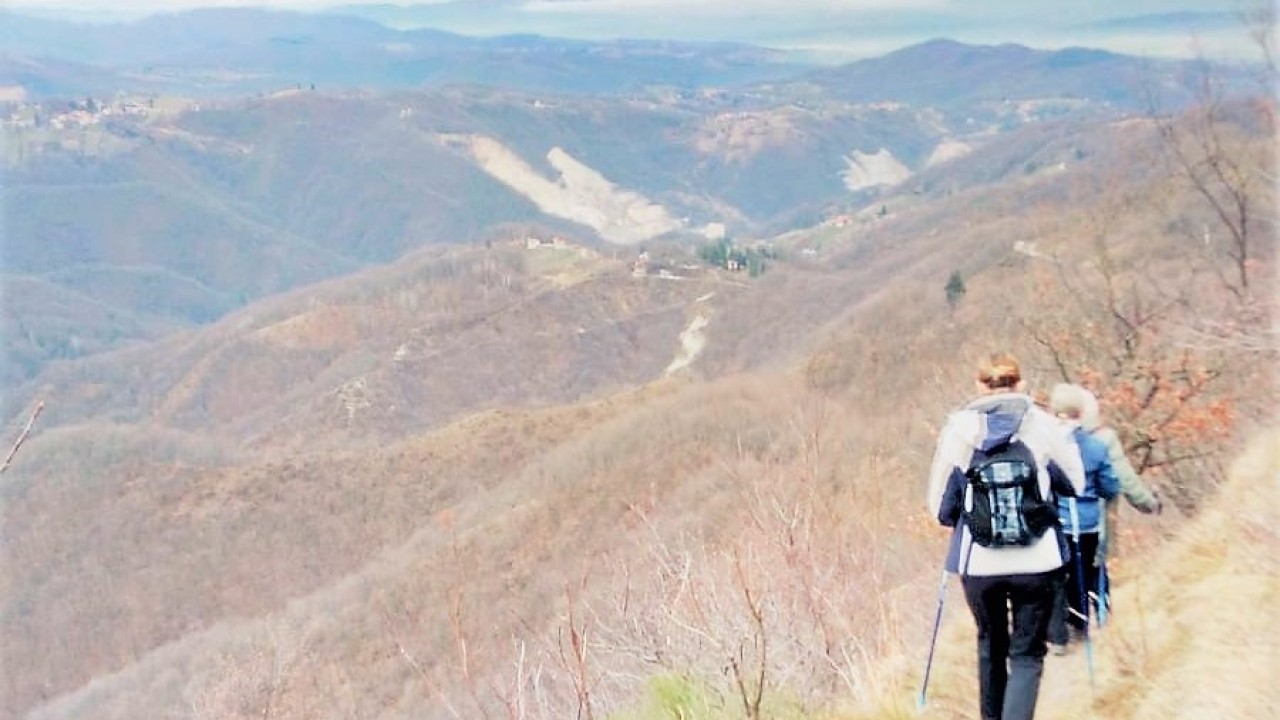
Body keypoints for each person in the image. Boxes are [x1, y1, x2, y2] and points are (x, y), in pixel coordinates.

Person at [928, 353, 1086, 720]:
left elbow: (938, 506)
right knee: (1027, 653)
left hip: (978, 563)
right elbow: (1076, 482)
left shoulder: (958, 431)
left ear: (979, 386)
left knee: (990, 646)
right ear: (1020, 385)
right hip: (1038, 559)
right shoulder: (1043, 425)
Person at [1045, 383, 1120, 656]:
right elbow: (1111, 486)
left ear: (1054, 412)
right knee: (1088, 570)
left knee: (1057, 577)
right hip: (1089, 523)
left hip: (1058, 525)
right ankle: (1088, 622)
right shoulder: (1096, 447)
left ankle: (1059, 635)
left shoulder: (1046, 448)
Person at [1077, 388, 1162, 565]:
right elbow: (1126, 479)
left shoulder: (1049, 439)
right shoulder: (1103, 439)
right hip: (1093, 528)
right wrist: (1150, 504)